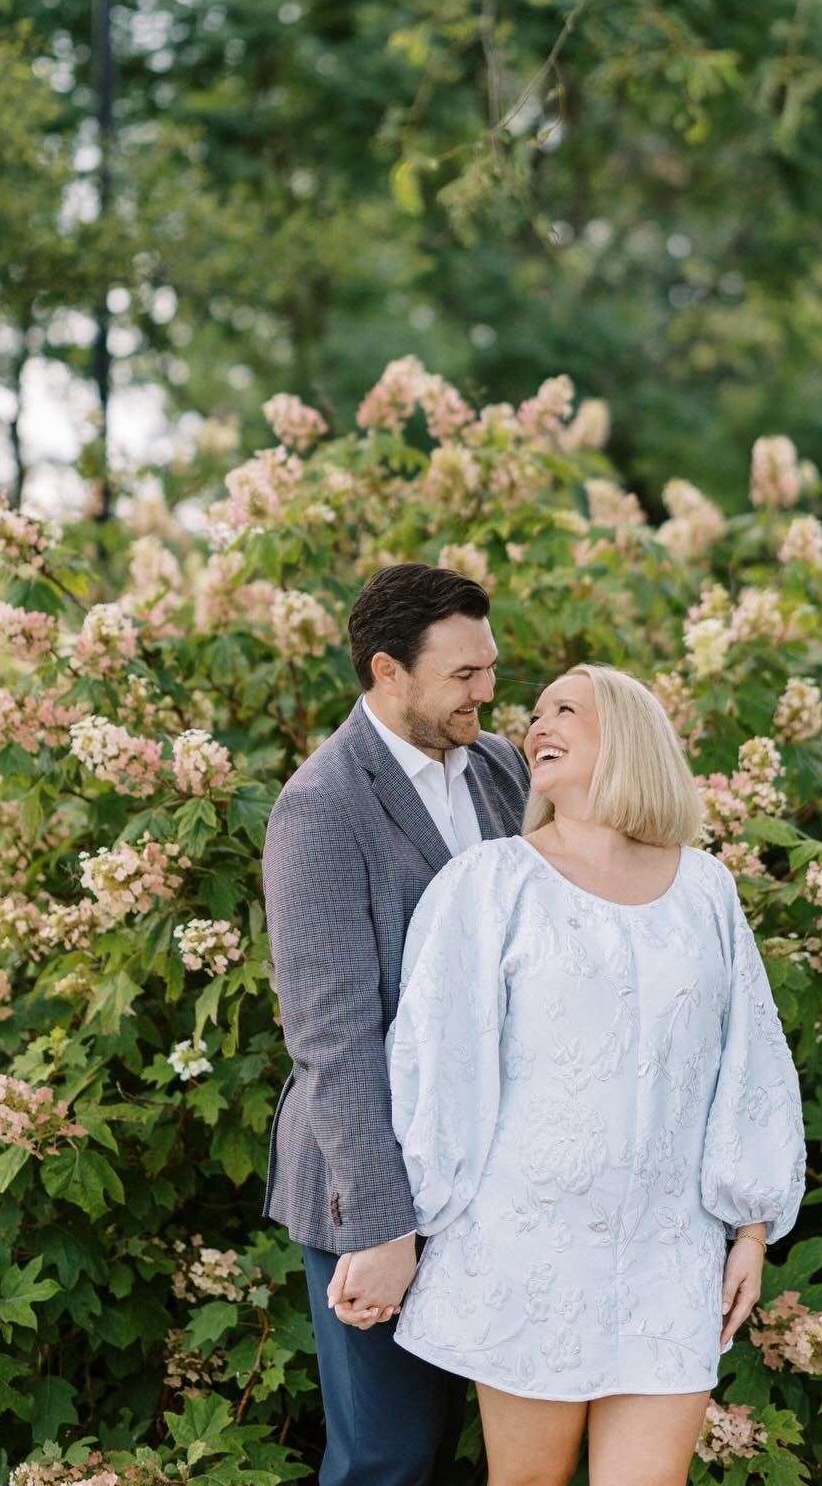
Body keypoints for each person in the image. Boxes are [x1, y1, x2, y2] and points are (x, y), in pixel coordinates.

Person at [383, 664, 806, 1486]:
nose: (537, 724)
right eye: (534, 712)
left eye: (565, 709)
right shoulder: (490, 882)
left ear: (631, 735)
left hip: (671, 1252)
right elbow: (436, 1064)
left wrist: (750, 1229)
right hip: (526, 1248)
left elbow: (750, 1060)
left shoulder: (707, 888)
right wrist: (409, 1222)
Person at [261, 562, 530, 1486]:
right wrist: (383, 1227)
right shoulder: (321, 808)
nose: (488, 692)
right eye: (463, 675)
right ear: (387, 671)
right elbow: (331, 1040)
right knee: (387, 1457)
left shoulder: (500, 766)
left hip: (487, 1169)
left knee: (478, 1446)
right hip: (370, 1177)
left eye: (489, 667)